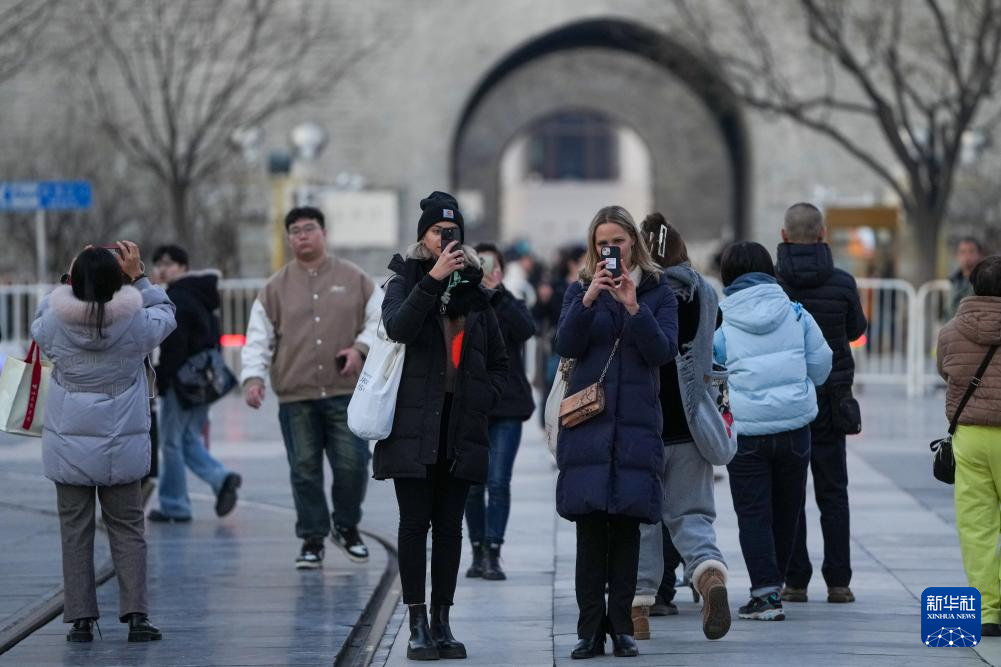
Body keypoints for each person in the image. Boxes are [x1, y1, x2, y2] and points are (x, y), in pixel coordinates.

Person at [375, 191, 508, 660]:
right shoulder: (404, 279)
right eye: (437, 232)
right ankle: (415, 623)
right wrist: (432, 280)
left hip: (460, 423)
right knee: (415, 523)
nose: (444, 240)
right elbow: (397, 328)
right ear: (422, 236)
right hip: (414, 422)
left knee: (449, 526)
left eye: (452, 234)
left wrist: (483, 397)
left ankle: (442, 621)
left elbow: (499, 360)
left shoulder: (476, 292)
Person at [32, 242, 175, 642]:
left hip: (67, 446)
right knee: (129, 529)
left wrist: (72, 276)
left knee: (75, 531)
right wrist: (140, 277)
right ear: (120, 281)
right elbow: (166, 314)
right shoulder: (135, 323)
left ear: (72, 282)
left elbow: (41, 320)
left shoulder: (56, 323)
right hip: (121, 445)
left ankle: (80, 620)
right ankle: (136, 617)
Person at [555, 205, 678, 659]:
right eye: (603, 242)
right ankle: (589, 630)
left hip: (636, 425)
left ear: (633, 243)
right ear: (594, 246)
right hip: (589, 426)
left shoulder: (658, 292)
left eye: (619, 241)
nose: (611, 250)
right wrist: (588, 301)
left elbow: (662, 352)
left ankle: (622, 627)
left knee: (627, 531)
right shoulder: (578, 290)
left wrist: (633, 306)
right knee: (589, 533)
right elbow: (565, 345)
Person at [241, 206, 381, 569]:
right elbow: (258, 338)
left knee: (353, 464)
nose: (302, 235)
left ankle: (346, 527)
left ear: (323, 233)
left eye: (309, 228)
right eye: (295, 231)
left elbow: (379, 321)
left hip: (345, 393)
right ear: (289, 239)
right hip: (296, 396)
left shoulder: (355, 278)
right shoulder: (274, 288)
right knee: (304, 469)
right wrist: (253, 378)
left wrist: (359, 349)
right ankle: (312, 538)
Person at [714, 241, 831, 621]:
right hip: (796, 427)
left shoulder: (722, 320)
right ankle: (775, 583)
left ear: (728, 275)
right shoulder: (796, 312)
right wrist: (799, 385)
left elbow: (712, 367)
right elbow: (822, 361)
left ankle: (765, 593)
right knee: (788, 509)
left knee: (753, 513)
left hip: (746, 431)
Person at [632, 214, 731, 642]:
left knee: (642, 523)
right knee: (692, 518)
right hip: (692, 427)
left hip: (644, 426)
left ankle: (638, 612)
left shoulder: (639, 293)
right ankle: (710, 578)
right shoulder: (703, 293)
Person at [775, 203, 868, 604]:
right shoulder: (843, 282)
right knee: (833, 493)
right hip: (831, 400)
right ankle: (839, 581)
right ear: (823, 233)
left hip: (787, 400)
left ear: (783, 236)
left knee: (789, 493)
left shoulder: (773, 285)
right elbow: (856, 329)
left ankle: (795, 580)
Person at [147, 244, 241, 523]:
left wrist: (162, 382)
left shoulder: (176, 298)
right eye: (158, 263)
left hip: (181, 382)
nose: (163, 268)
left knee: (171, 443)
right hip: (204, 382)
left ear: (184, 267)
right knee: (188, 439)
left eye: (170, 263)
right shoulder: (203, 295)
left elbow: (175, 347)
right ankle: (221, 479)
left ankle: (174, 505)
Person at [463, 242, 536, 581]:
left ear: (502, 270)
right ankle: (477, 551)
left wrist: (499, 294)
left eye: (494, 265)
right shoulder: (463, 302)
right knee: (473, 484)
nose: (489, 270)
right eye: (482, 264)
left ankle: (494, 552)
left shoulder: (511, 303)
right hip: (472, 405)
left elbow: (526, 330)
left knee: (499, 481)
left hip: (507, 407)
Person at [937, 254, 1001, 638]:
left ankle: (986, 612)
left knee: (977, 527)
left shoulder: (951, 330)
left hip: (971, 436)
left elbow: (944, 370)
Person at [950, 237, 985, 316]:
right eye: (962, 252)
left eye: (971, 251)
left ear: (980, 254)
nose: (967, 256)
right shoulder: (953, 280)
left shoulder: (985, 280)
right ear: (957, 255)